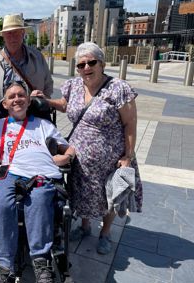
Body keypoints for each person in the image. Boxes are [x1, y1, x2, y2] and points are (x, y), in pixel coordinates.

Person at [33, 42, 143, 255]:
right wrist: (45, 100)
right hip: (78, 156)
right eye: (81, 64)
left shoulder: (118, 88)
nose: (86, 68)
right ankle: (84, 227)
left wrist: (127, 156)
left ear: (102, 64)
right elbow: (65, 105)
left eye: (91, 62)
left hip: (110, 157)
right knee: (82, 194)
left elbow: (130, 124)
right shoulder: (74, 85)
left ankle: (105, 232)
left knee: (108, 194)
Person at [0, 81, 75, 283]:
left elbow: (68, 148)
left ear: (28, 101)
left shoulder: (45, 125)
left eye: (21, 95)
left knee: (39, 200)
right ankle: (4, 266)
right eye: (11, 97)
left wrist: (66, 157)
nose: (17, 99)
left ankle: (40, 262)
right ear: (4, 104)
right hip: (9, 173)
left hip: (41, 174)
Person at [0, 14, 53, 118]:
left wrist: (42, 99)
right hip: (4, 118)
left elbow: (48, 84)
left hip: (34, 116)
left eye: (16, 33)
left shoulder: (37, 57)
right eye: (8, 33)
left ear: (23, 34)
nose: (12, 37)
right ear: (3, 36)